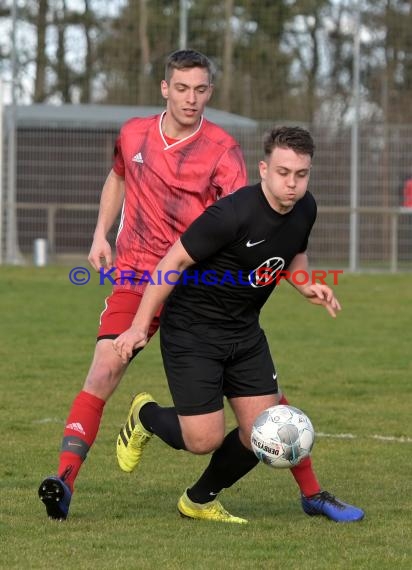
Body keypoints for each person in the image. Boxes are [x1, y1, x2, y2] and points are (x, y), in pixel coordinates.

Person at [113, 126, 365, 524]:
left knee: (260, 433)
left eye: (301, 174)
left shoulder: (305, 208)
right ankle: (145, 416)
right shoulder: (231, 213)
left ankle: (198, 500)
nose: (292, 183)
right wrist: (139, 327)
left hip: (244, 332)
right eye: (283, 172)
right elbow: (171, 264)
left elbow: (294, 253)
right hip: (193, 331)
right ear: (263, 169)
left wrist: (306, 285)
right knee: (204, 439)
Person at [38, 48, 248, 520]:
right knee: (103, 369)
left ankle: (312, 491)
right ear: (164, 89)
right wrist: (100, 233)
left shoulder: (223, 150)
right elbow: (117, 177)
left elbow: (238, 220)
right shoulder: (133, 132)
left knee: (253, 391)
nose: (190, 99)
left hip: (196, 285)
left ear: (209, 91)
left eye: (199, 89)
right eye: (181, 88)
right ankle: (64, 480)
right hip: (135, 274)